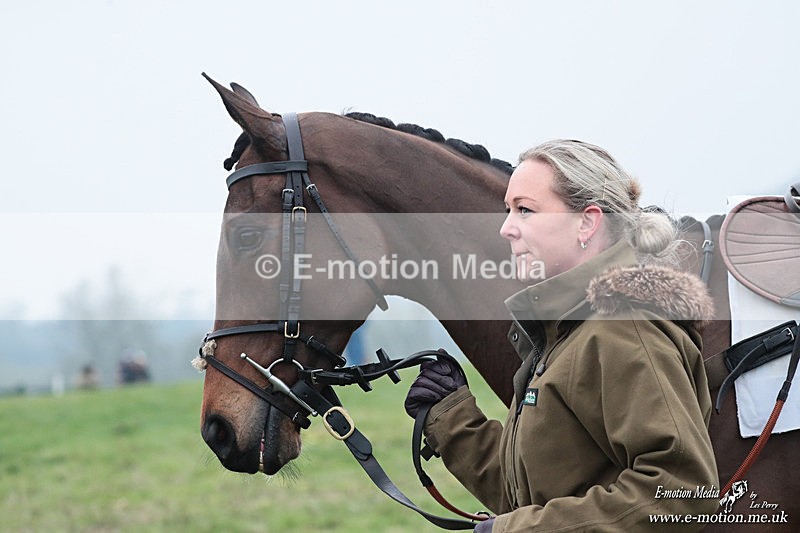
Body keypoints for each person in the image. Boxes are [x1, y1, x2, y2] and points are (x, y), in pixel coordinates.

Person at [405, 140, 719, 531]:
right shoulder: (566, 334)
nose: (506, 228)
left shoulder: (623, 331)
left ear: (587, 222)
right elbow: (531, 495)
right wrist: (451, 419)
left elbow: (681, 491)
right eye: (508, 210)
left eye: (525, 210)